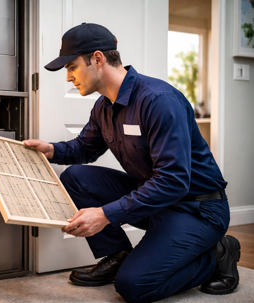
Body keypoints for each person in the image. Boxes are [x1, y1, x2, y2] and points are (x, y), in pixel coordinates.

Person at [23, 23, 240, 303]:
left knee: (134, 286)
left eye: (72, 67)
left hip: (197, 209)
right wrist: (50, 149)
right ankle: (118, 255)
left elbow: (173, 181)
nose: (68, 77)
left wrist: (105, 215)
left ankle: (217, 254)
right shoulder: (103, 107)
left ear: (97, 59)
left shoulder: (159, 101)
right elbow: (84, 149)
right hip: (156, 203)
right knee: (76, 176)